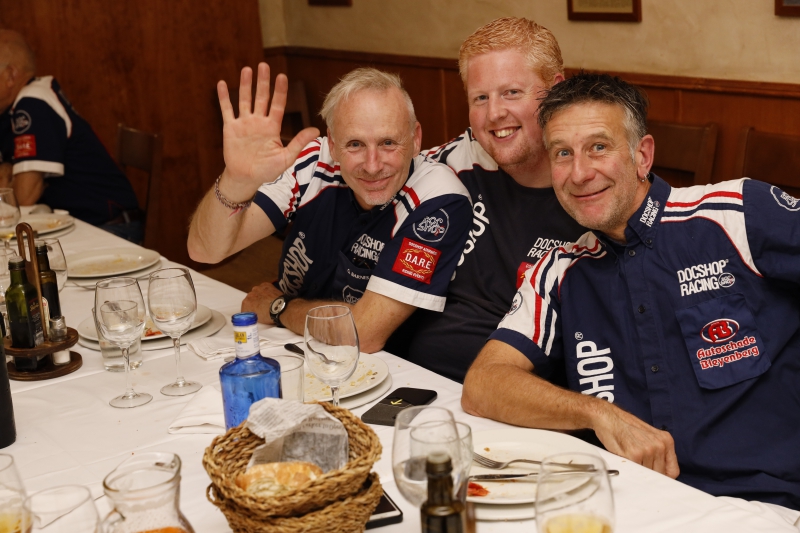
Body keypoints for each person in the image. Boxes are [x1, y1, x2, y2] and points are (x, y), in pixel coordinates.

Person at [462, 72, 800, 513]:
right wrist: (597, 413)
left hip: (766, 507)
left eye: (598, 147)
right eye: (563, 153)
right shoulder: (560, 269)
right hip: (628, 504)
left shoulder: (737, 214)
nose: (580, 173)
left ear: (642, 155)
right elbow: (483, 385)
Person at [187, 64, 472, 353]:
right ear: (333, 145)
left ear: (415, 139)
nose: (372, 165)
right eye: (355, 144)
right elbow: (205, 251)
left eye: (388, 143)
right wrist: (235, 182)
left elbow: (362, 333)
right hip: (288, 344)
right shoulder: (314, 160)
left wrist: (279, 307)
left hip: (375, 365)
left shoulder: (438, 198)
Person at [404, 17, 586, 383]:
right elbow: (371, 174)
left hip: (514, 399)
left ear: (556, 91)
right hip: (408, 379)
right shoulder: (452, 164)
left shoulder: (594, 189)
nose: (494, 114)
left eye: (511, 93)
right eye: (480, 98)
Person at [0, 30, 142, 242]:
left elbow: (22, 197)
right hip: (83, 225)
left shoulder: (33, 103)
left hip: (110, 229)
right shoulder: (17, 106)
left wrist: (11, 177)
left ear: (11, 75)